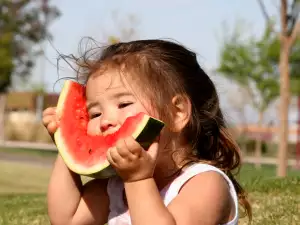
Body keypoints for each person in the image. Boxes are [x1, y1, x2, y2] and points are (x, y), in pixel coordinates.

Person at [43, 39, 252, 225]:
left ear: (178, 112)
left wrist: (138, 181)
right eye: (95, 114)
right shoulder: (114, 188)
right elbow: (66, 219)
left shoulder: (205, 184)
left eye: (124, 104)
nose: (105, 121)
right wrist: (66, 143)